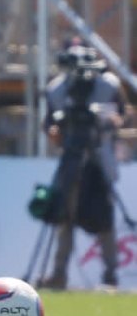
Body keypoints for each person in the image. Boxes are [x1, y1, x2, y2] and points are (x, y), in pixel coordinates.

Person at [40, 43, 126, 289]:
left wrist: (109, 121)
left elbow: (121, 113)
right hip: (72, 157)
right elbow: (49, 123)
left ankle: (111, 275)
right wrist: (56, 131)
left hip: (100, 157)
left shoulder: (108, 85)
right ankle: (59, 273)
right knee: (64, 216)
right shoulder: (56, 90)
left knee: (104, 218)